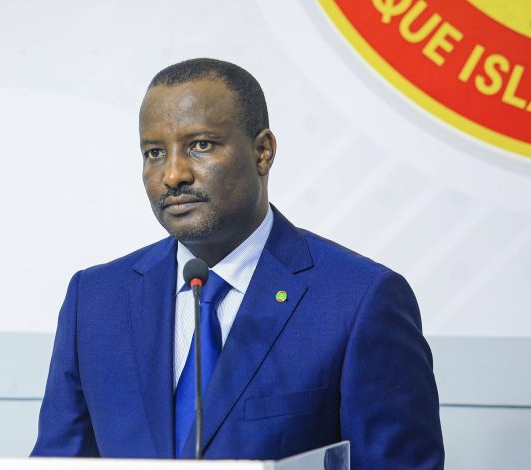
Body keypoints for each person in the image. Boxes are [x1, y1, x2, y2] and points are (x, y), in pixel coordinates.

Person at [31, 58, 444, 468]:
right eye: (154, 152)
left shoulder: (358, 300)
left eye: (200, 145)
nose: (173, 175)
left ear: (262, 152)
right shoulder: (96, 301)